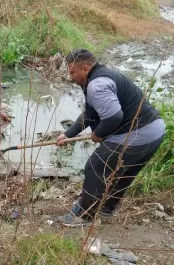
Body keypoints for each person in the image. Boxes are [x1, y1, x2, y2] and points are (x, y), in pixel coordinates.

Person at [56, 49, 165, 227]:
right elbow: (90, 114)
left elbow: (114, 117)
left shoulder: (96, 85)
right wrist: (68, 134)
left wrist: (97, 134)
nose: (71, 77)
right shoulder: (104, 75)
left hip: (138, 132)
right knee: (122, 172)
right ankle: (107, 209)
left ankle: (84, 216)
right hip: (156, 131)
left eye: (72, 72)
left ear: (85, 68)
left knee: (95, 165)